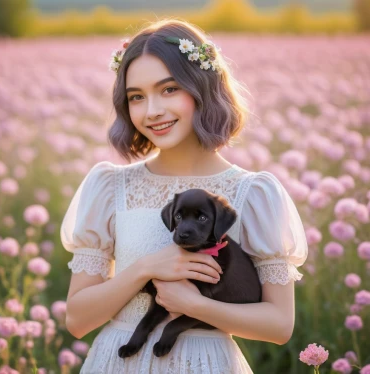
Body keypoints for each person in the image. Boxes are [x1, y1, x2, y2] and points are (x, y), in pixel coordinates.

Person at [61, 18, 308, 373]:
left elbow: (280, 325)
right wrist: (146, 267)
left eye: (169, 89)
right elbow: (78, 319)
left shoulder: (252, 193)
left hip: (206, 363)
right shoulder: (110, 186)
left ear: (202, 88)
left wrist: (195, 306)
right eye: (136, 97)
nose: (152, 111)